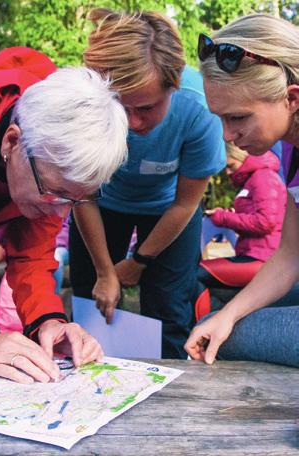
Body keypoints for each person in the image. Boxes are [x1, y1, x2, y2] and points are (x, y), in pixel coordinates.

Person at [0, 46, 128, 383]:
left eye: (76, 199)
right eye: (55, 193)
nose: (62, 211)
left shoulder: (46, 161)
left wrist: (49, 321)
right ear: (12, 142)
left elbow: (32, 257)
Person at [69, 8, 225, 358]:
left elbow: (185, 204)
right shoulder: (87, 104)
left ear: (174, 85)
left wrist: (138, 262)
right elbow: (82, 197)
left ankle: (170, 397)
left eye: (146, 107)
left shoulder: (201, 110)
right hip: (102, 205)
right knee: (92, 297)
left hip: (170, 210)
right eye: (121, 107)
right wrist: (105, 272)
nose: (132, 123)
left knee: (169, 307)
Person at [185, 13, 299, 367]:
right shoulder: (289, 149)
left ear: (291, 98)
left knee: (223, 340)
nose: (226, 135)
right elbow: (291, 254)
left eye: (238, 118)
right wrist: (230, 314)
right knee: (215, 325)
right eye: (220, 118)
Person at [194, 141, 287, 321]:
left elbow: (266, 222)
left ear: (241, 158)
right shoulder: (254, 179)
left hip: (263, 259)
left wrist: (224, 217)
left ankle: (201, 334)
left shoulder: (263, 177)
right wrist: (234, 215)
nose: (228, 172)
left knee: (198, 274)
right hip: (254, 254)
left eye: (230, 166)